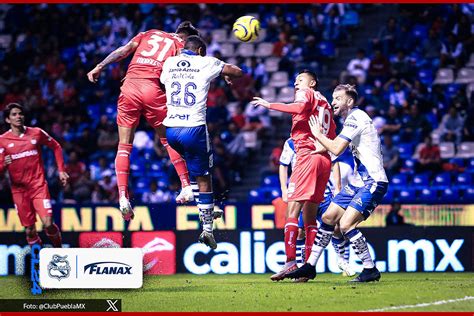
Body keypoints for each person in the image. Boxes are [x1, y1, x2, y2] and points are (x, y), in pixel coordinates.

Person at [87, 21, 199, 221]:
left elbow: (123, 50)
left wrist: (100, 66)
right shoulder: (180, 46)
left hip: (129, 87)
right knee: (167, 140)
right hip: (152, 89)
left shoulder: (150, 33)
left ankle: (122, 197)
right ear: (186, 37)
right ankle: (186, 185)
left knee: (123, 146)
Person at [285, 84, 388, 283]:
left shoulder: (356, 118)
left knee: (346, 224)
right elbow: (332, 150)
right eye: (332, 98)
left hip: (373, 181)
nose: (333, 102)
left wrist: (317, 134)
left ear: (349, 101)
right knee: (329, 216)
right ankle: (310, 266)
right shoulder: (351, 120)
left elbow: (337, 148)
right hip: (359, 182)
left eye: (338, 99)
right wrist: (318, 149)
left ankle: (370, 268)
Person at [252, 69, 337, 281]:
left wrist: (269, 104)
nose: (296, 83)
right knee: (310, 217)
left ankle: (290, 263)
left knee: (293, 209)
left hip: (307, 155)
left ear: (313, 83)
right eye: (295, 80)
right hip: (323, 158)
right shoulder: (325, 103)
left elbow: (299, 106)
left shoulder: (306, 94)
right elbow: (333, 136)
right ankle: (307, 269)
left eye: (300, 80)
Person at [160, 35, 242, 249]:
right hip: (194, 129)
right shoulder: (206, 61)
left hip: (171, 130)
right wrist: (223, 75)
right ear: (199, 50)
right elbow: (237, 72)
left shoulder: (169, 63)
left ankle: (201, 198)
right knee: (205, 176)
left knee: (195, 170)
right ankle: (207, 228)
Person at [279, 137, 355, 279]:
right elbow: (283, 164)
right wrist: (284, 189)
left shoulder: (320, 138)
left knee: (336, 227)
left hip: (323, 193)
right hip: (302, 192)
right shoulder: (291, 142)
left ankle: (342, 260)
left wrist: (337, 188)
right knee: (300, 232)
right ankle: (302, 267)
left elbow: (334, 162)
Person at [0, 103, 69, 247]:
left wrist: (61, 170)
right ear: (7, 120)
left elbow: (56, 146)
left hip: (38, 186)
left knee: (48, 224)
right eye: (14, 114)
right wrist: (3, 164)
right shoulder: (2, 141)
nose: (18, 116)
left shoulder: (36, 133)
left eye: (20, 113)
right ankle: (38, 263)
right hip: (19, 191)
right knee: (30, 231)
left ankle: (60, 251)